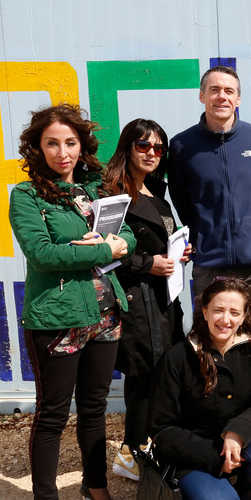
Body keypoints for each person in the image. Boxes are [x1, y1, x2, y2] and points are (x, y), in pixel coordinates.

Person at [9, 103, 135, 500]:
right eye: (52, 144)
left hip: (105, 315)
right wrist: (103, 249)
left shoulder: (95, 188)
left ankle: (94, 486)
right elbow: (42, 254)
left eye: (70, 143)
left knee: (96, 407)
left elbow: (126, 234)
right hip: (57, 319)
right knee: (53, 414)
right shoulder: (27, 196)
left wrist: (115, 242)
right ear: (37, 148)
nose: (62, 153)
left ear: (82, 146)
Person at [149, 277, 251, 500]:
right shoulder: (177, 357)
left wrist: (237, 431)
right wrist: (214, 458)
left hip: (236, 443)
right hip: (191, 453)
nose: (225, 319)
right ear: (204, 312)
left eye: (234, 312)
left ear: (244, 316)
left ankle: (243, 496)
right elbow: (162, 428)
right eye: (218, 310)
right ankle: (209, 495)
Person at [102, 118, 191, 480]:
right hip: (137, 300)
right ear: (127, 148)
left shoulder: (156, 191)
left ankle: (147, 444)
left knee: (161, 373)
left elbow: (160, 242)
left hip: (164, 299)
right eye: (143, 146)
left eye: (158, 147)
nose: (152, 153)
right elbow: (104, 253)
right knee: (143, 376)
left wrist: (178, 252)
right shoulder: (112, 195)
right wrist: (148, 264)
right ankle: (131, 452)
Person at [167, 65, 251, 314]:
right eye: (214, 89)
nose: (222, 96)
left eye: (229, 91)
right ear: (202, 95)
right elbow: (181, 200)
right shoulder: (182, 145)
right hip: (209, 267)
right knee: (211, 334)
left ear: (238, 99)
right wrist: (201, 238)